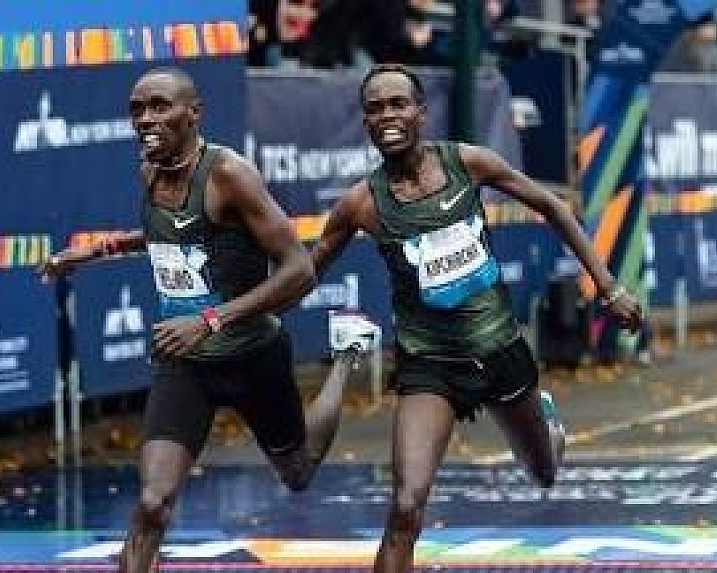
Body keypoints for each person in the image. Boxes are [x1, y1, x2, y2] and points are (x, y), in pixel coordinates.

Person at [310, 64, 644, 572]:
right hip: (430, 365)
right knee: (406, 505)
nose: (388, 116)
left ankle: (547, 426)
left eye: (398, 104)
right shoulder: (361, 204)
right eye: (375, 108)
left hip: (499, 350)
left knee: (544, 472)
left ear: (421, 112)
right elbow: (306, 270)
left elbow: (553, 207)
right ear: (366, 122)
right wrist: (246, 313)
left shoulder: (467, 162)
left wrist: (608, 286)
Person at [37, 67, 360, 572]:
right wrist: (99, 250)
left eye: (160, 107)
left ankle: (346, 356)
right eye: (138, 110)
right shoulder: (150, 170)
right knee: (153, 502)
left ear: (193, 114)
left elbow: (299, 270)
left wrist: (208, 320)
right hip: (185, 362)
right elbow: (171, 233)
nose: (147, 120)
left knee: (297, 473)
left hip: (252, 355)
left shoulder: (229, 175)